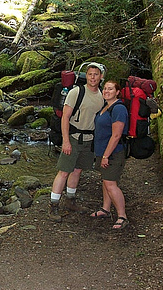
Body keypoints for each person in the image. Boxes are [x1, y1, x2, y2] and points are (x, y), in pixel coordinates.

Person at [49, 63, 105, 222]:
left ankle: (70, 201)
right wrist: (66, 141)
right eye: (90, 74)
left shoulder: (101, 95)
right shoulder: (76, 92)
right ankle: (53, 205)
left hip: (88, 140)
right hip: (73, 138)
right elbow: (65, 117)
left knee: (77, 170)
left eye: (96, 74)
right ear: (85, 76)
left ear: (101, 77)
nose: (93, 77)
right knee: (64, 171)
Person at [90, 80, 130, 230]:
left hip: (113, 152)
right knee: (105, 181)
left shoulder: (119, 109)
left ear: (117, 92)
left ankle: (122, 216)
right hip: (102, 151)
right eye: (105, 88)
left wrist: (106, 155)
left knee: (111, 184)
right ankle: (105, 209)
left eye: (110, 89)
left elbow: (116, 135)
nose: (106, 91)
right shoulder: (106, 107)